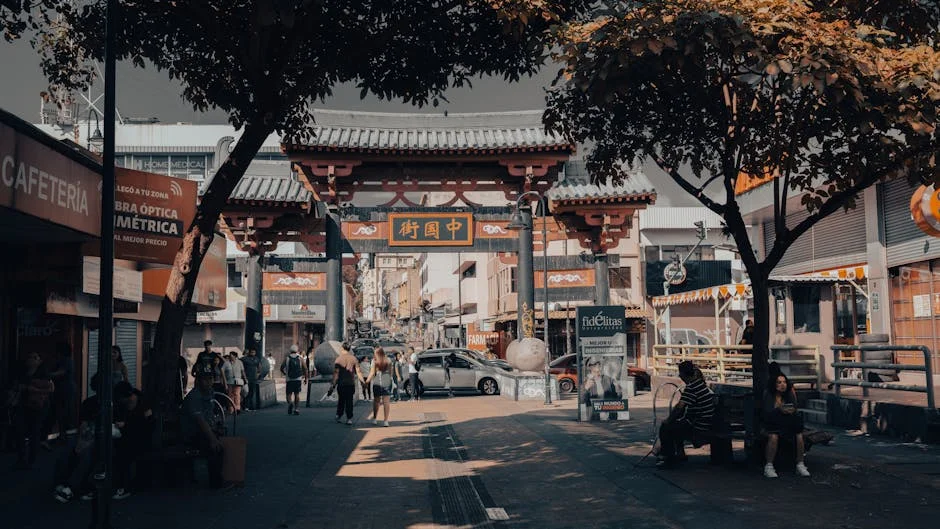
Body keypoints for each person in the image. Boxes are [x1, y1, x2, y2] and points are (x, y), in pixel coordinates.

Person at [655, 361, 715, 469]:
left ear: (682, 374)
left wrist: (668, 420)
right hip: (705, 421)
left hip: (698, 425)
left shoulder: (692, 387)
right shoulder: (700, 383)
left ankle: (667, 457)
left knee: (665, 428)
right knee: (677, 424)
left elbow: (680, 407)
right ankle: (680, 453)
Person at [53, 380, 100, 503]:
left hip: (102, 438)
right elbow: (84, 424)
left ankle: (70, 487)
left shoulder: (112, 404)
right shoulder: (89, 403)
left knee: (86, 455)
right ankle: (62, 481)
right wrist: (81, 441)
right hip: (89, 435)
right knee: (68, 449)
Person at [181, 364, 226, 489]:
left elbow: (209, 415)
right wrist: (212, 439)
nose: (208, 382)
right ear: (198, 381)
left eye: (211, 378)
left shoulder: (210, 393)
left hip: (203, 431)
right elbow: (200, 421)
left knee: (223, 440)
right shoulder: (194, 397)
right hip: (192, 433)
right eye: (205, 379)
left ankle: (225, 476)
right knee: (215, 447)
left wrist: (216, 426)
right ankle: (216, 483)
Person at [11, 352, 54, 469]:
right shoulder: (23, 373)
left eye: (35, 357)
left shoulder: (43, 373)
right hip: (23, 405)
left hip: (38, 406)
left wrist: (32, 389)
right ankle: (22, 458)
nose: (31, 359)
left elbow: (51, 389)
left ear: (39, 361)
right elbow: (16, 387)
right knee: (19, 430)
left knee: (34, 431)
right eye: (29, 357)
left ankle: (31, 460)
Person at [763, 372, 811, 478]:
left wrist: (790, 411)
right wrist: (779, 410)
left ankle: (800, 464)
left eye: (784, 382)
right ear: (774, 384)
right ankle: (769, 466)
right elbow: (767, 414)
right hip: (773, 425)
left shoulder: (789, 394)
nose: (782, 384)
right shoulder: (769, 395)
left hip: (787, 424)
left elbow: (795, 410)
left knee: (799, 435)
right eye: (779, 382)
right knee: (773, 436)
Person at [112, 381, 155, 498]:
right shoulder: (122, 406)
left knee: (124, 452)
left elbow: (148, 426)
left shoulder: (144, 404)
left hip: (141, 439)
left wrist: (126, 425)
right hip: (127, 437)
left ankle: (124, 485)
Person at [46, 342, 76, 442]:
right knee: (60, 411)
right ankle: (62, 434)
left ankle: (62, 435)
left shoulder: (66, 360)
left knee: (61, 412)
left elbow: (60, 373)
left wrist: (47, 375)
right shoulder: (65, 360)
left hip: (65, 389)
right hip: (63, 389)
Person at [331, 343, 360, 424]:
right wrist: (364, 382)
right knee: (349, 401)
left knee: (341, 400)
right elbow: (358, 372)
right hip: (351, 383)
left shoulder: (338, 359)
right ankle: (349, 418)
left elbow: (336, 374)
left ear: (343, 348)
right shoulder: (354, 359)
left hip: (341, 383)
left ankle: (339, 415)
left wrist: (333, 385)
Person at [363, 347, 394, 426]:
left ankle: (375, 418)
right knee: (386, 402)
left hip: (377, 381)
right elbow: (391, 372)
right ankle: (386, 421)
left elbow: (372, 373)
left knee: (376, 401)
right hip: (386, 381)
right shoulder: (389, 360)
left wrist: (366, 382)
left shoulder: (374, 361)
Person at [280, 345, 307, 415]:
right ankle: (296, 409)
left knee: (288, 394)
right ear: (297, 351)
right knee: (297, 394)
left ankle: (290, 403)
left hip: (289, 379)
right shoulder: (300, 358)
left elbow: (281, 367)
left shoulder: (287, 358)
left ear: (290, 350)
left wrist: (285, 373)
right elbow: (305, 368)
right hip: (298, 379)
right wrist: (306, 378)